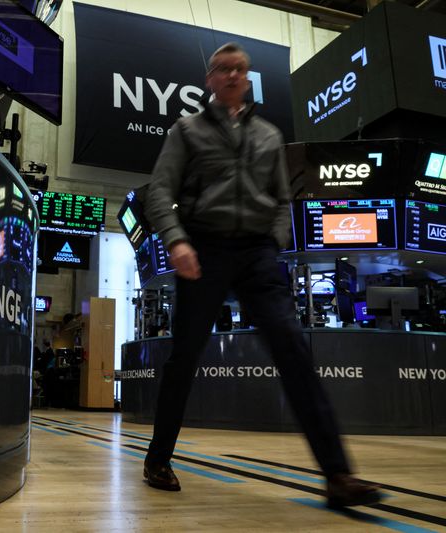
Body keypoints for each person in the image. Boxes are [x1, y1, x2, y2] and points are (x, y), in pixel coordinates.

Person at [143, 42, 381, 508]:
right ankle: (157, 458)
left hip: (256, 254)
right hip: (203, 249)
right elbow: (159, 190)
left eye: (240, 70)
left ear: (248, 79)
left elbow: (281, 199)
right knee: (184, 358)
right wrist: (176, 240)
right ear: (209, 79)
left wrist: (272, 243)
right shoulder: (186, 131)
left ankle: (337, 476)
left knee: (293, 349)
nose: (232, 76)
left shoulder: (270, 135)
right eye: (223, 69)